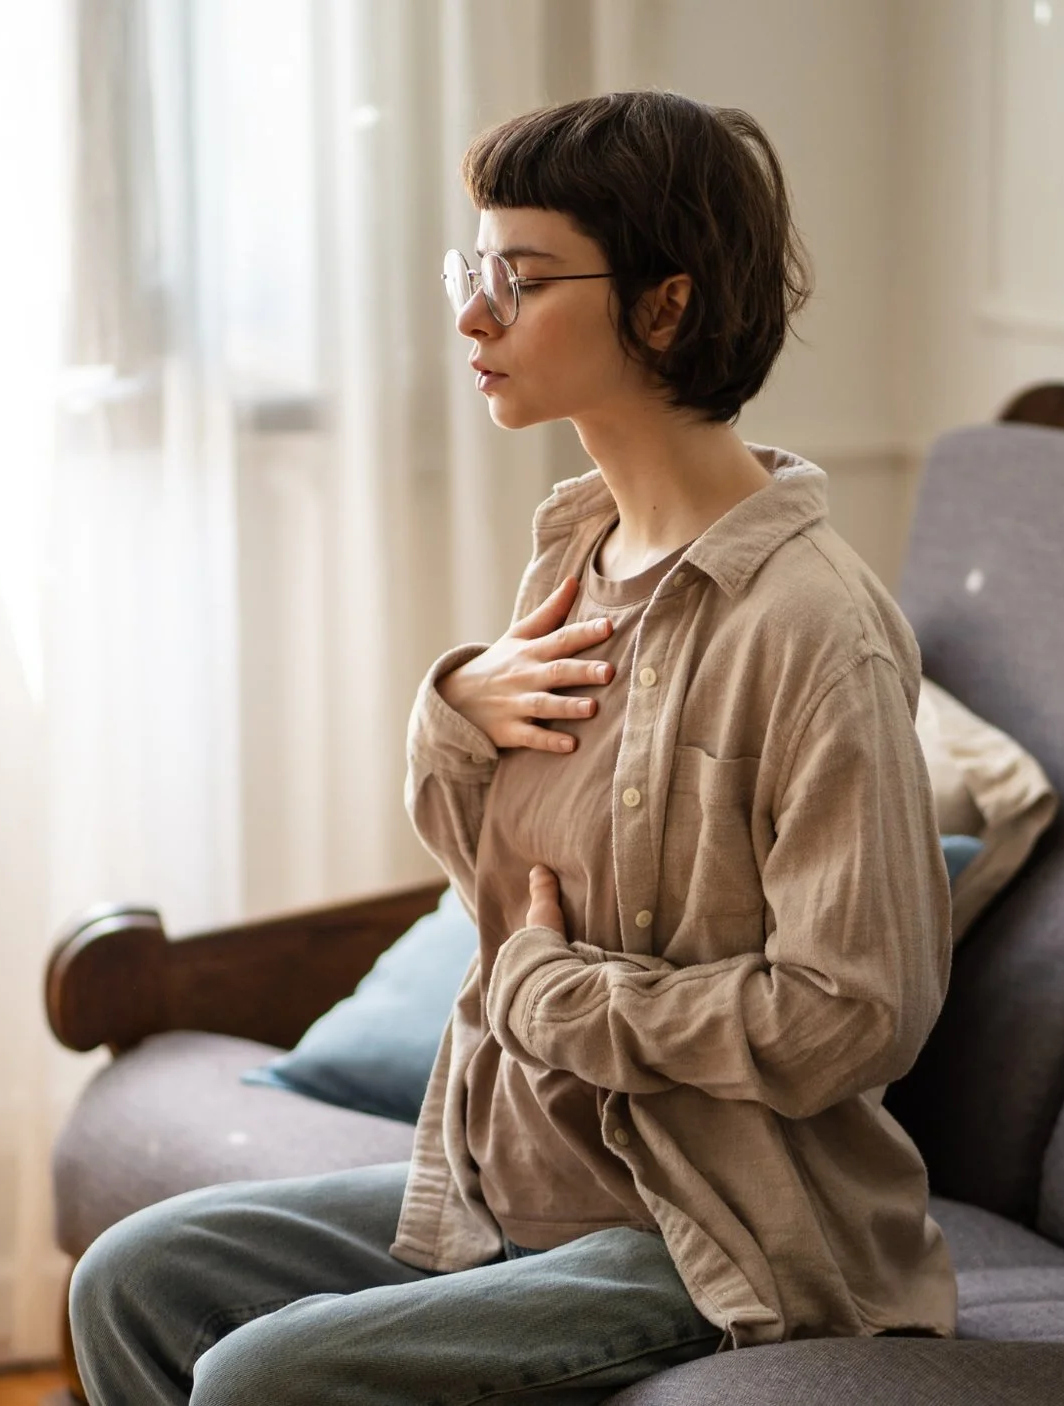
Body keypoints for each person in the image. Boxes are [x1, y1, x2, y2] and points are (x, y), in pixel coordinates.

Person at [70, 90, 956, 1406]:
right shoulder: (581, 554)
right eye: (470, 269)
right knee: (133, 1278)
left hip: (712, 1236)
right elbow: (494, 879)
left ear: (665, 305)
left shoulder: (816, 629)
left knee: (264, 1376)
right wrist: (454, 716)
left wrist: (560, 998)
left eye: (519, 279)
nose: (472, 315)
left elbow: (855, 1013)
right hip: (509, 1174)